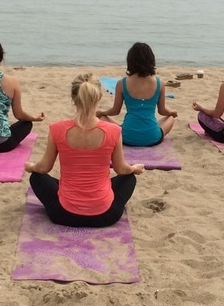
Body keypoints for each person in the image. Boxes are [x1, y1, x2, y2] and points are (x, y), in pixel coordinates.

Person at [25, 74, 144, 228]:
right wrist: (134, 168)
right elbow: (121, 169)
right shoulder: (114, 131)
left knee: (37, 177)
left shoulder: (57, 129)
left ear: (73, 97)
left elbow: (43, 168)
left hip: (64, 214)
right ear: (99, 97)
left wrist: (31, 167)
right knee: (129, 178)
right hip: (105, 215)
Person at [96, 42, 177, 146]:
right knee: (170, 118)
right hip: (152, 137)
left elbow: (115, 111)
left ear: (130, 61)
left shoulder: (122, 83)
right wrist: (172, 112)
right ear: (151, 61)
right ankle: (148, 130)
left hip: (126, 137)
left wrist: (102, 112)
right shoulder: (159, 83)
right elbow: (162, 111)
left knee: (103, 118)